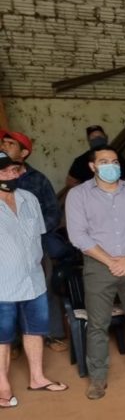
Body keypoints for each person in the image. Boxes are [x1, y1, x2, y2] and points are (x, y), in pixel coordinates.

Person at [66, 145, 125, 399]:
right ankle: (98, 379)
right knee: (98, 325)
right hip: (98, 266)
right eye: (104, 161)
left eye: (115, 161)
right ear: (93, 166)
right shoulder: (78, 195)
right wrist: (110, 261)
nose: (111, 166)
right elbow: (78, 236)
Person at [0, 151, 67, 407]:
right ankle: (3, 387)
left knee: (35, 330)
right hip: (3, 284)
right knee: (2, 337)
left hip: (33, 279)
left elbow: (39, 233)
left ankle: (37, 378)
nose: (10, 174)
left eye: (13, 170)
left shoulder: (29, 198)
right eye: (4, 171)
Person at [1, 129, 67, 351]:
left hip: (36, 243)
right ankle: (14, 343)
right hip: (6, 250)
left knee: (43, 286)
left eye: (10, 144)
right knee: (7, 295)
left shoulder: (37, 180)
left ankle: (52, 334)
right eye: (3, 143)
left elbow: (53, 212)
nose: (4, 146)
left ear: (24, 153)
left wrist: (33, 232)